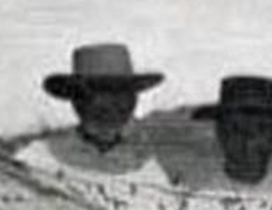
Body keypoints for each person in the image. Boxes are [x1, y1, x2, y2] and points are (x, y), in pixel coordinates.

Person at [13, 43, 173, 187]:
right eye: (100, 93)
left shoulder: (150, 168)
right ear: (76, 102)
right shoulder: (36, 159)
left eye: (121, 93)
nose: (112, 106)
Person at [187, 75, 272, 193]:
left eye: (261, 129)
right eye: (238, 130)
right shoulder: (196, 200)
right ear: (221, 133)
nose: (249, 143)